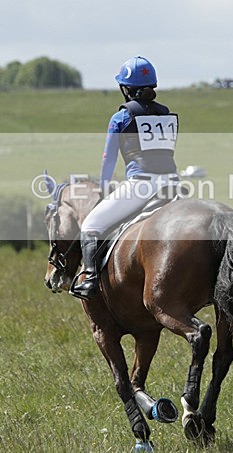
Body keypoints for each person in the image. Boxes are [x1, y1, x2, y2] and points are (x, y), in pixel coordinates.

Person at [70, 56, 180, 300]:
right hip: (173, 184)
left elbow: (109, 159)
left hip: (141, 186)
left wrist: (103, 188)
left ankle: (89, 279)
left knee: (90, 226)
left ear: (125, 88)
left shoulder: (121, 117)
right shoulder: (167, 115)